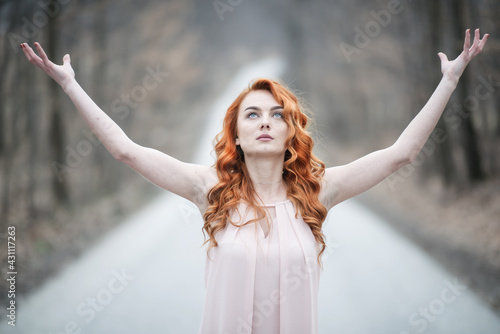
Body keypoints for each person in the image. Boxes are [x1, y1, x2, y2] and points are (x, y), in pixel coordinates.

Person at [21, 28, 488, 334]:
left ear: (290, 133)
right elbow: (126, 149)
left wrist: (448, 81)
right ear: (237, 135)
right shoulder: (209, 190)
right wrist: (70, 85)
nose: (265, 121)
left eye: (277, 114)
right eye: (252, 114)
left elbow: (400, 154)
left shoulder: (318, 191)